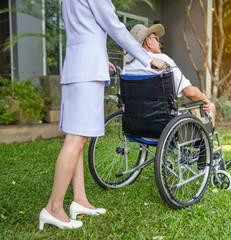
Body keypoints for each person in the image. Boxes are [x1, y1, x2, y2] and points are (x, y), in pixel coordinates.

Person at [39, 0, 165, 230]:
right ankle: (53, 208)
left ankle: (79, 200)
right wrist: (148, 58)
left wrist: (101, 59)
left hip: (79, 68)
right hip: (85, 74)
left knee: (79, 138)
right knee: (75, 139)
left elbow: (84, 29)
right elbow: (115, 27)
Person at [122, 24, 216, 125]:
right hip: (163, 126)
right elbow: (190, 93)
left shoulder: (127, 69)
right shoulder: (162, 60)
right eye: (155, 38)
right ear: (148, 42)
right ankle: (208, 139)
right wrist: (205, 99)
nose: (159, 42)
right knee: (211, 108)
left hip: (136, 126)